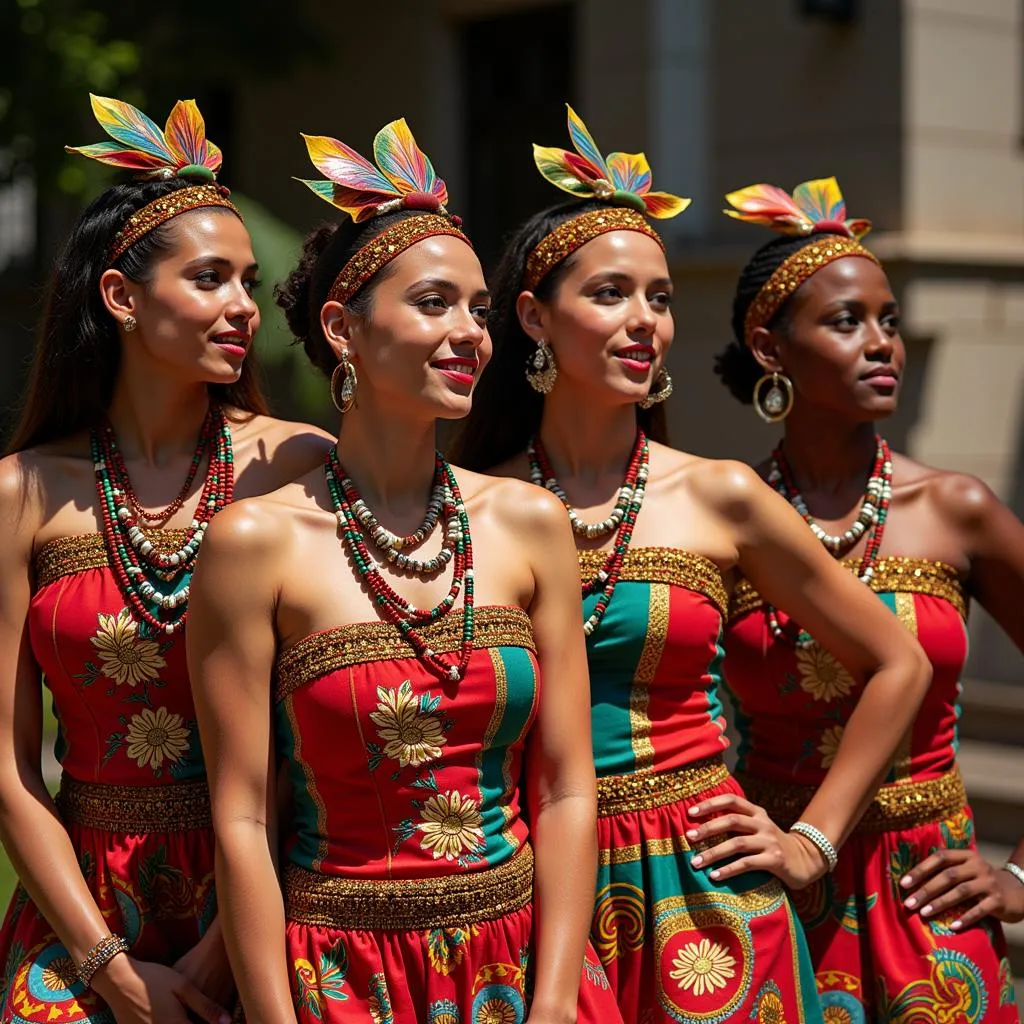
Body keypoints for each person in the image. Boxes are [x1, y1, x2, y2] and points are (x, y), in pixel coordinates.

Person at [454, 107, 932, 1024]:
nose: (644, 322)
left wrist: (811, 843)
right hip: (528, 894)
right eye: (611, 295)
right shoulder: (473, 502)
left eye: (661, 298)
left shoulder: (719, 497)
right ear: (532, 318)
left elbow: (897, 660)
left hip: (709, 895)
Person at [187, 118, 621, 1024]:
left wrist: (552, 1006)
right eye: (434, 303)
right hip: (339, 980)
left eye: (479, 309)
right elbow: (240, 820)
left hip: (523, 971)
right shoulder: (254, 543)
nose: (471, 333)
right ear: (343, 328)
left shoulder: (529, 522)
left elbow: (567, 784)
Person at [0, 95, 333, 1024]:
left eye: (249, 280)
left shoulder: (296, 463)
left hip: (272, 891)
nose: (242, 306)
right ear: (121, 296)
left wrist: (229, 946)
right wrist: (110, 968)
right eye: (211, 278)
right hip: (84, 911)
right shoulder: (19, 493)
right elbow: (8, 766)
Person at [716, 176, 1023, 1020]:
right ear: (769, 347)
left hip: (934, 896)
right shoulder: (729, 518)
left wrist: (1020, 875)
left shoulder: (953, 510)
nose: (883, 343)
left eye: (888, 320)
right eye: (847, 321)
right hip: (769, 890)